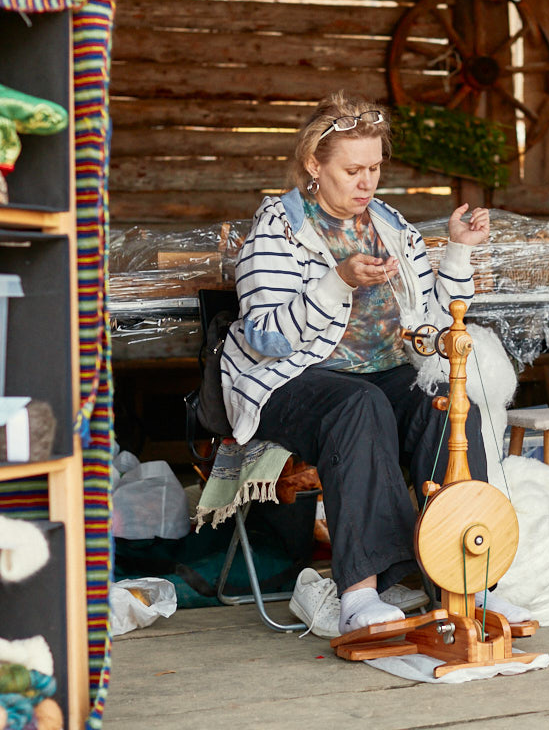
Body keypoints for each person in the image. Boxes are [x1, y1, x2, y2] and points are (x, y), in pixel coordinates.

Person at [220, 92, 530, 637]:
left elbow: (435, 324)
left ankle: (468, 581)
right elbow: (267, 337)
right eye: (352, 170)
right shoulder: (279, 228)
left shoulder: (390, 226)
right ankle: (361, 593)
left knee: (447, 408)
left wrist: (458, 251)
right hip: (290, 380)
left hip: (381, 374)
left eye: (375, 168)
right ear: (314, 165)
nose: (366, 183)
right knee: (359, 406)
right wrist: (337, 281)